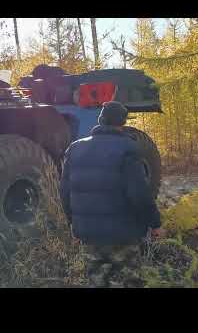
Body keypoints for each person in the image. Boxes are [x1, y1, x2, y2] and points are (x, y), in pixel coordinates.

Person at [60, 101, 163, 287]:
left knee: (97, 281)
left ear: (101, 120)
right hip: (123, 234)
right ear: (122, 122)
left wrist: (73, 224)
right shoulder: (129, 148)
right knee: (129, 280)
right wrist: (154, 223)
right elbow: (139, 193)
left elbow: (65, 193)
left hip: (89, 234)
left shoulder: (75, 148)